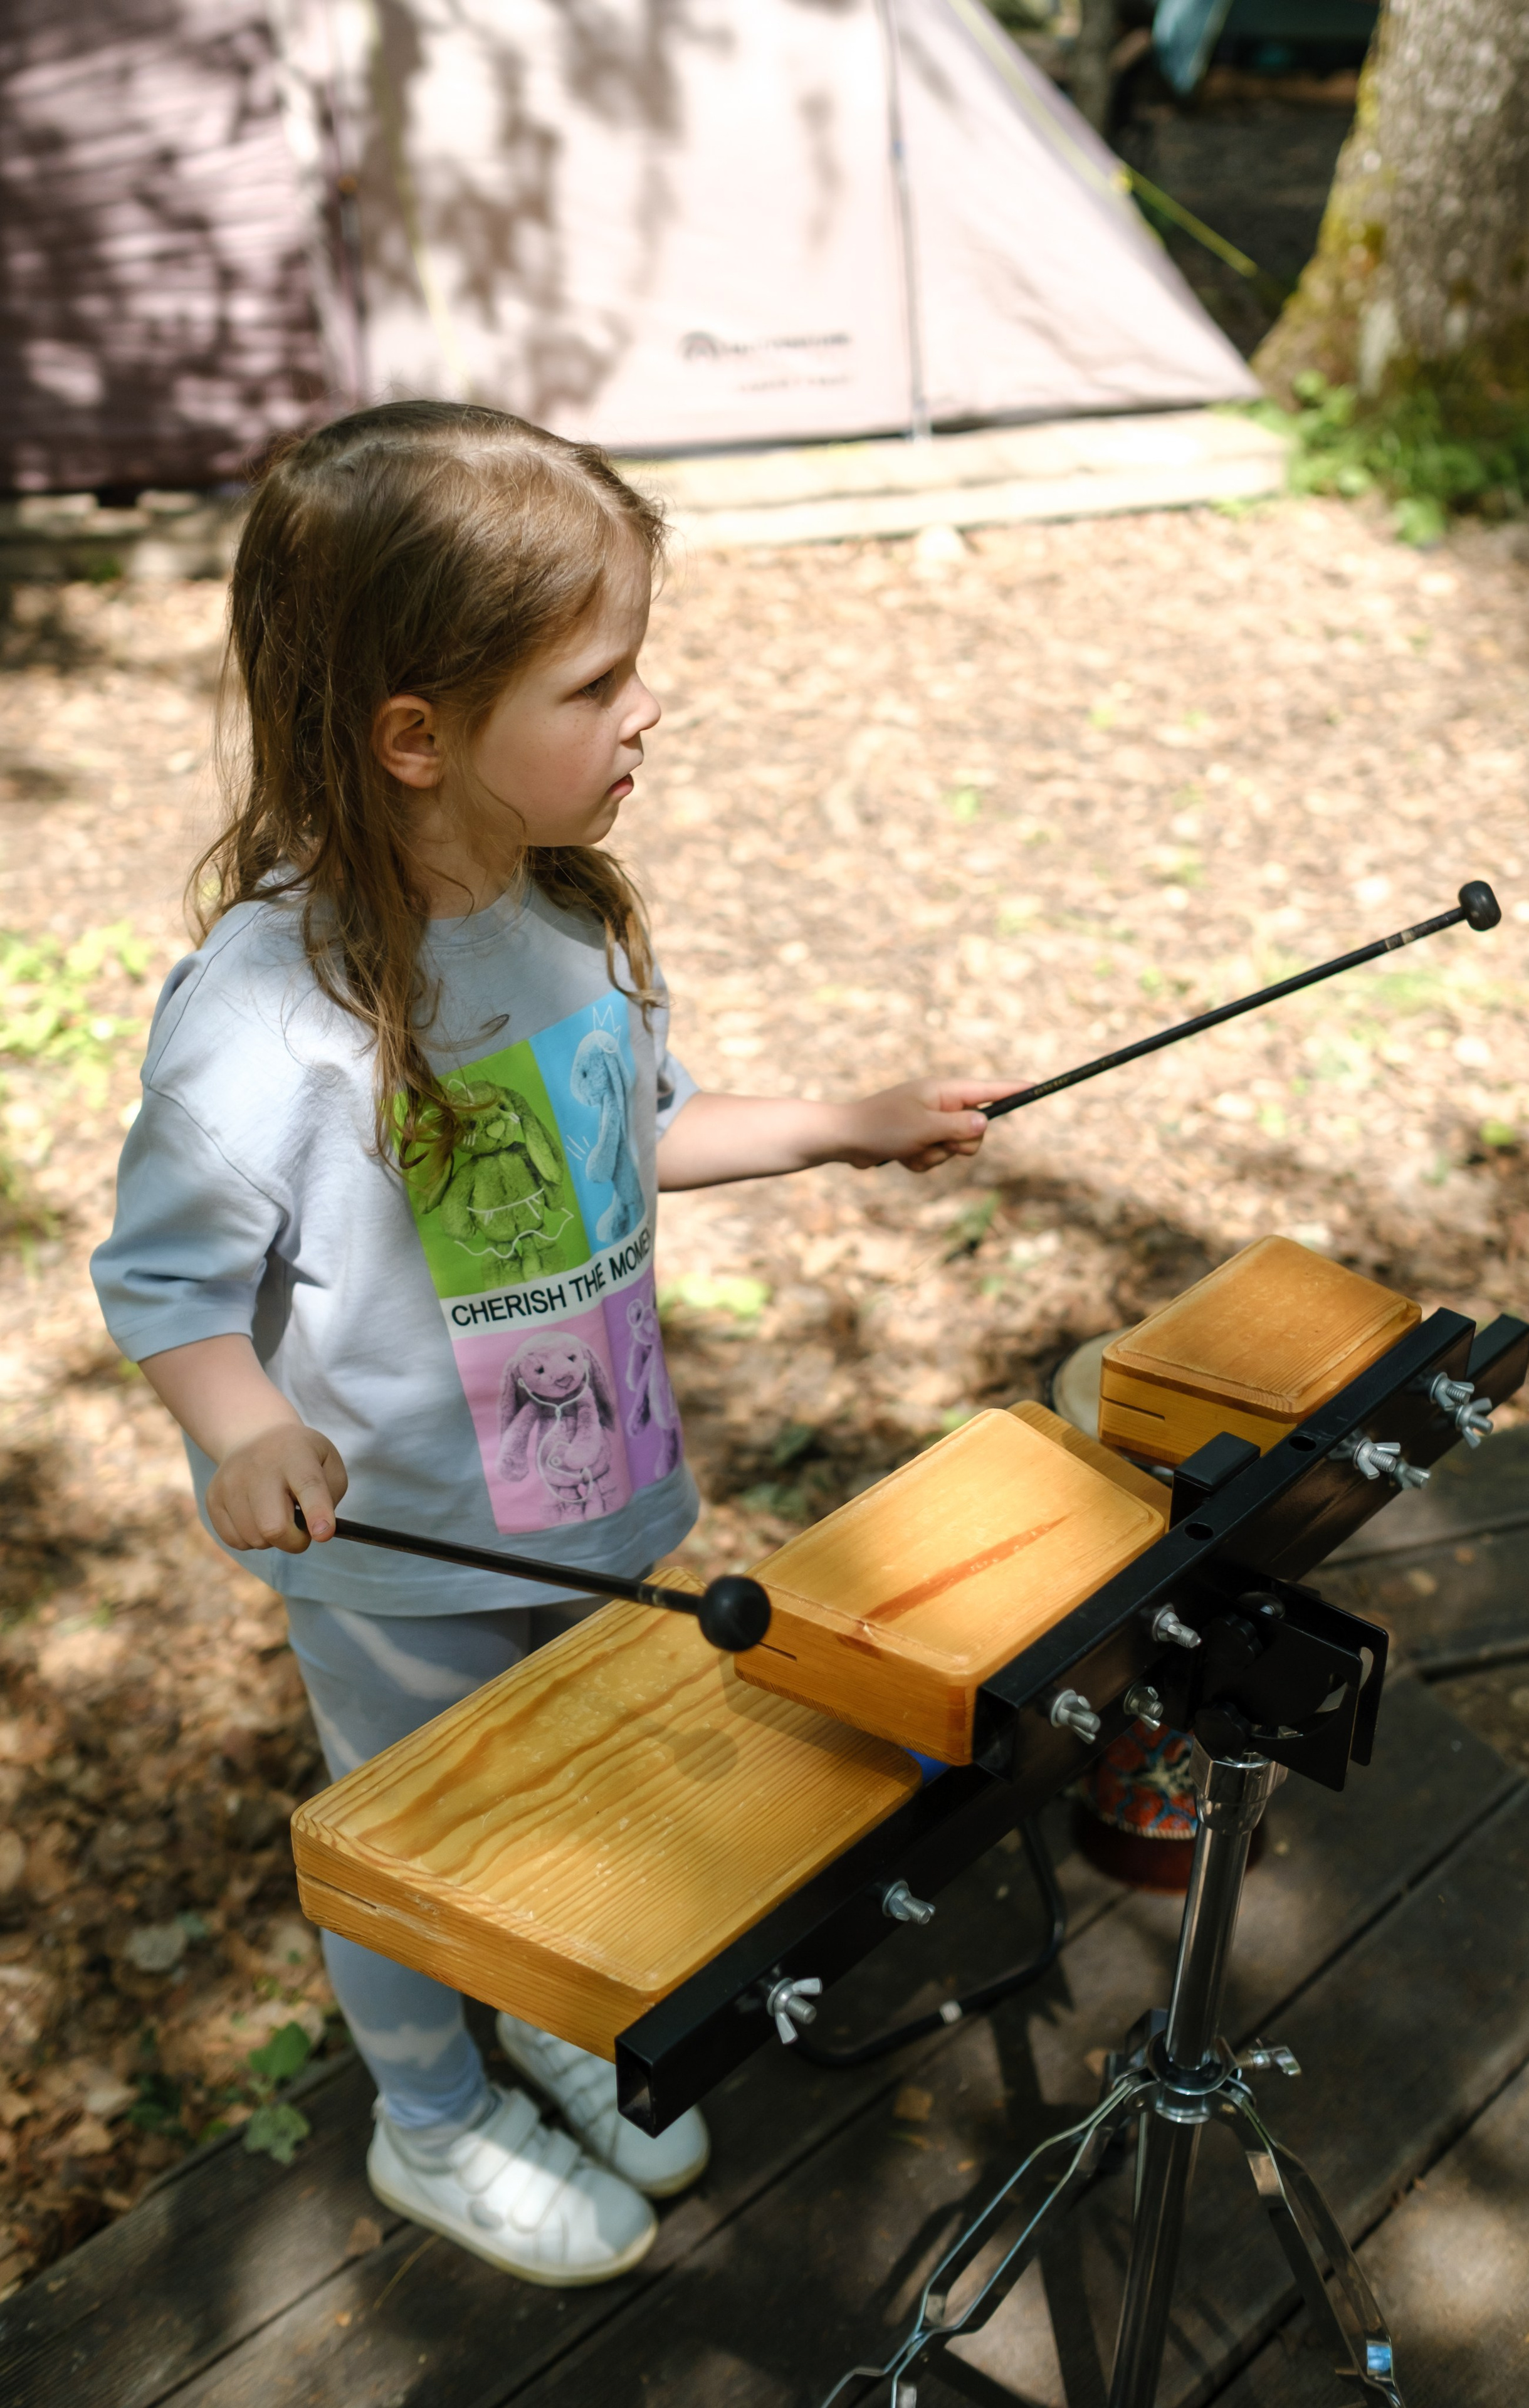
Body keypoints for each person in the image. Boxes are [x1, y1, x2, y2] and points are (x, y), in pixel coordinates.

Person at [90, 401, 1019, 2288]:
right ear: (414, 737)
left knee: (578, 1793)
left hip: (587, 1492)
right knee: (426, 1835)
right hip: (406, 1550)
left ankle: (549, 2022)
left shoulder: (571, 919)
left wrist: (838, 1118)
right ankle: (433, 2114)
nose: (648, 708)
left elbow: (636, 1132)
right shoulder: (267, 1013)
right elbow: (167, 1286)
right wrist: (243, 1427)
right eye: (596, 679)